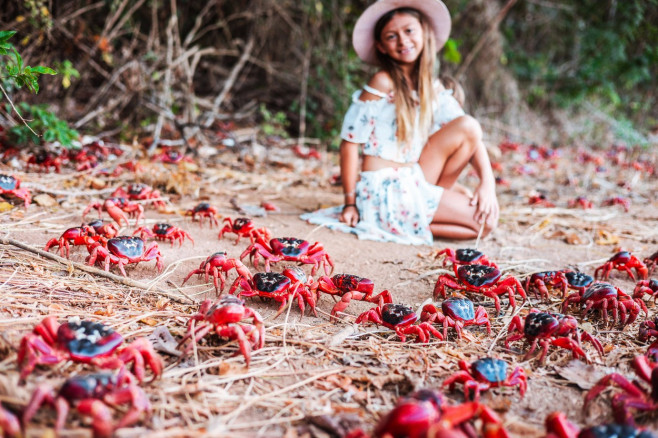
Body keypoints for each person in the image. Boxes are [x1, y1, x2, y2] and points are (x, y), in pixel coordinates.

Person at [301, 0, 498, 245]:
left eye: (409, 31)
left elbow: (470, 134)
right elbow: (350, 143)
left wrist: (487, 185)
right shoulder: (382, 82)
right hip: (384, 187)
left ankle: (405, 220)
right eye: (392, 36)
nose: (403, 41)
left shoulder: (432, 87)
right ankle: (389, 219)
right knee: (484, 224)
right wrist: (350, 203)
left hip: (414, 177)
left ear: (424, 32)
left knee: (467, 128)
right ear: (381, 47)